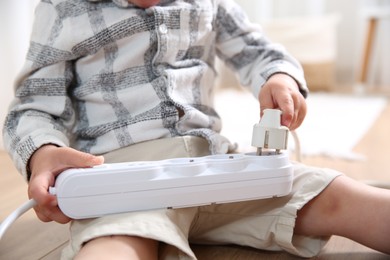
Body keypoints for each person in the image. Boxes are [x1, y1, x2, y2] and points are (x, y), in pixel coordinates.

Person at [3, 0, 390, 259]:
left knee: (340, 195)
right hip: (125, 181)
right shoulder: (63, 10)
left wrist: (279, 77)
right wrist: (43, 153)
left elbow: (258, 50)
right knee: (116, 243)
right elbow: (32, 108)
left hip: (218, 165)